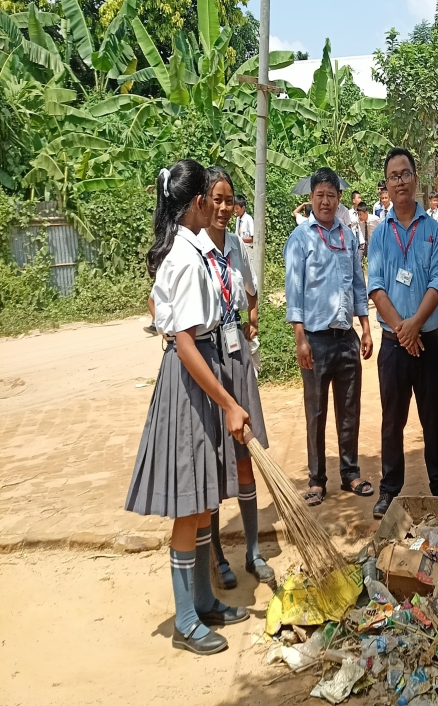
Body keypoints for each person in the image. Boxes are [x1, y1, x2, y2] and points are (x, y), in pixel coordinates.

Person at [125, 161, 249, 656]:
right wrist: (229, 403)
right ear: (198, 202)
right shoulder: (186, 257)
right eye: (212, 200)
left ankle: (202, 600)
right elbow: (185, 343)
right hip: (190, 384)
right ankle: (185, 620)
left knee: (203, 500)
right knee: (189, 506)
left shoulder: (186, 250)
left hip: (197, 382)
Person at [368, 148, 438, 518]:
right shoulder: (379, 235)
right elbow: (375, 287)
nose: (400, 181)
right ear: (386, 185)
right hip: (393, 346)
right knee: (392, 420)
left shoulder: (433, 229)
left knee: (433, 414)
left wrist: (414, 325)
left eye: (406, 173)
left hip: (428, 342)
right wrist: (402, 330)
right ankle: (390, 488)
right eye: (394, 176)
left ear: (416, 179)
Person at [200, 168, 275, 591]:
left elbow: (251, 292)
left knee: (244, 453)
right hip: (208, 362)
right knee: (212, 459)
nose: (225, 208)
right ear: (202, 201)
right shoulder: (192, 249)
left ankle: (252, 551)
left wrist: (250, 323)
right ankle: (216, 556)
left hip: (236, 358)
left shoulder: (235, 247)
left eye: (229, 200)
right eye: (217, 199)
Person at [285, 167, 374, 507]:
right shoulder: (301, 239)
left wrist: (365, 328)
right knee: (316, 411)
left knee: (349, 408)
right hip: (316, 339)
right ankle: (316, 479)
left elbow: (357, 284)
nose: (325, 201)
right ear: (311, 198)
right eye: (319, 195)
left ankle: (350, 473)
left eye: (331, 195)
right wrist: (300, 338)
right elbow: (294, 292)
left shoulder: (347, 237)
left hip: (346, 338)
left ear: (339, 200)